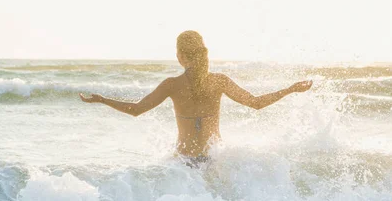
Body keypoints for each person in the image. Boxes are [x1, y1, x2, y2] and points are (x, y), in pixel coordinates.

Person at [80, 30, 312, 165]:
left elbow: (136, 110)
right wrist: (290, 89)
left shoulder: (171, 85)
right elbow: (256, 103)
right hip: (215, 161)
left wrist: (102, 99)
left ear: (180, 55)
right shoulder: (219, 81)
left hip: (183, 165)